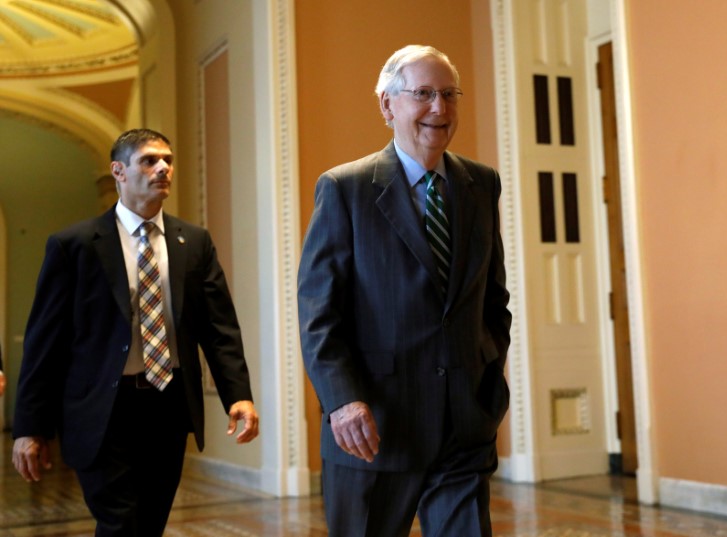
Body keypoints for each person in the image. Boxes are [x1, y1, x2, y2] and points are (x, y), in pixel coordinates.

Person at [297, 45, 512, 536]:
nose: (440, 108)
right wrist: (342, 400)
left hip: (463, 426)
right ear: (387, 105)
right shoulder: (345, 188)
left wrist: (486, 380)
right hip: (374, 428)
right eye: (423, 94)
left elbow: (492, 300)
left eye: (449, 94)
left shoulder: (482, 184)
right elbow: (318, 311)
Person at [12, 128, 259, 536]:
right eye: (149, 160)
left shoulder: (192, 242)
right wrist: (29, 428)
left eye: (167, 159)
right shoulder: (74, 245)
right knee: (120, 521)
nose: (163, 168)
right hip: (102, 410)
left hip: (168, 405)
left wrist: (239, 396)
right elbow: (44, 344)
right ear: (119, 171)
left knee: (151, 521)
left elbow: (219, 328)